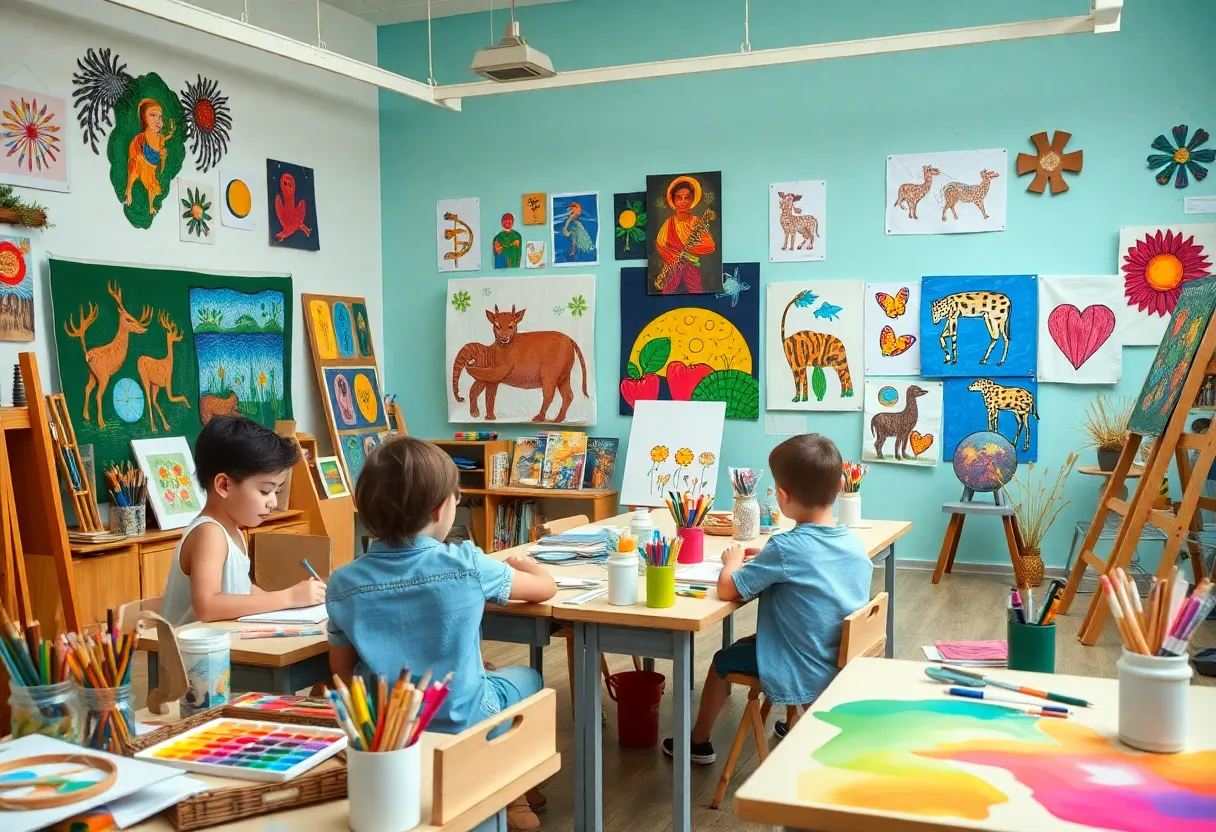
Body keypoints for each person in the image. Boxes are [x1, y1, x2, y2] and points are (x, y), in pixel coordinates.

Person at [326, 436, 558, 831]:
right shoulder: (467, 563)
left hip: (385, 732)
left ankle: (517, 794)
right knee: (530, 678)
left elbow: (342, 674)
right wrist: (528, 563)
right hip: (465, 716)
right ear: (439, 509)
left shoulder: (342, 583)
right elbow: (545, 589)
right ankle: (516, 790)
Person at [663, 434, 872, 763]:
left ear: (784, 497)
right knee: (749, 641)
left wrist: (732, 563)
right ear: (838, 487)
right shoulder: (851, 542)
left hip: (799, 663)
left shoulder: (786, 548)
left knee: (722, 661)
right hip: (835, 657)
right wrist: (770, 558)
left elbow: (729, 589)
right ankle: (800, 723)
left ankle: (698, 741)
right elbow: (809, 566)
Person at [160, 416, 324, 627]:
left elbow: (242, 590)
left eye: (277, 490)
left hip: (227, 648)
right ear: (224, 485)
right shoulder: (209, 533)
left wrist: (287, 605)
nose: (273, 502)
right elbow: (207, 606)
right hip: (192, 657)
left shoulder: (233, 532)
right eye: (265, 491)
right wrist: (288, 597)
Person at [654, 176, 716, 294]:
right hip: (672, 269)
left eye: (687, 198)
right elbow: (660, 244)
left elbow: (710, 245)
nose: (683, 202)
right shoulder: (669, 223)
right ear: (673, 200)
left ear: (692, 200)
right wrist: (672, 256)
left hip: (692, 268)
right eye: (679, 198)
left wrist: (691, 247)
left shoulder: (696, 222)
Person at [124, 98, 175, 215]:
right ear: (144, 117)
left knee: (153, 187)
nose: (158, 121)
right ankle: (129, 190)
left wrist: (163, 158)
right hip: (141, 163)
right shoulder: (140, 138)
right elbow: (133, 156)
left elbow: (161, 169)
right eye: (153, 115)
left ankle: (150, 206)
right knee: (136, 162)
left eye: (160, 117)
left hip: (151, 170)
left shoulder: (160, 139)